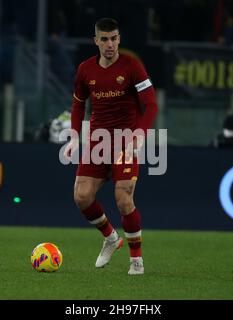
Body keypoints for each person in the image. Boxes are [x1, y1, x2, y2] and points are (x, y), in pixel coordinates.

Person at [63, 18, 158, 275]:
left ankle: (136, 259)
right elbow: (78, 104)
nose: (110, 44)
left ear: (119, 39)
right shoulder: (85, 70)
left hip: (126, 141)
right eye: (104, 39)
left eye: (114, 38)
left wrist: (139, 136)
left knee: (123, 198)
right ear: (96, 41)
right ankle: (110, 237)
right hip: (97, 141)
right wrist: (74, 136)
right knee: (81, 196)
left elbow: (150, 105)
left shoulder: (132, 67)